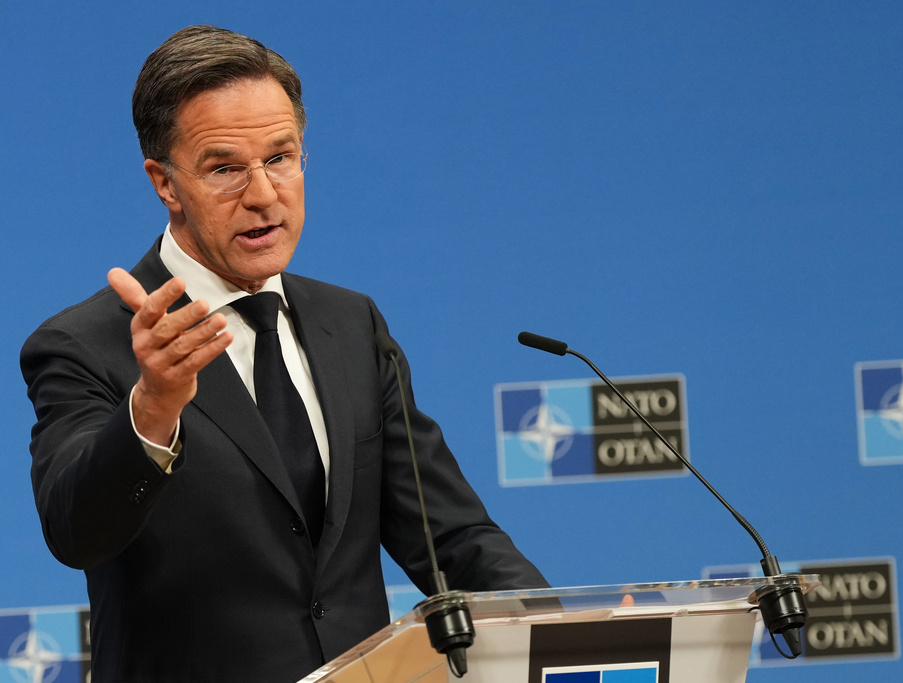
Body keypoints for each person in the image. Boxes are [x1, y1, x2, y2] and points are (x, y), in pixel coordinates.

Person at [21, 25, 547, 682]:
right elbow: (77, 532)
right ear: (164, 182)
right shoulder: (87, 343)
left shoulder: (351, 324)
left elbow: (452, 537)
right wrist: (153, 408)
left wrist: (563, 626)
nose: (264, 194)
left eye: (280, 157)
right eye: (225, 168)